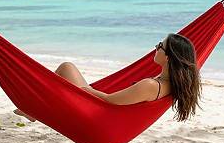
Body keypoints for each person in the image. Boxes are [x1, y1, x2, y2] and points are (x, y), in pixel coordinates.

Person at [14, 33, 201, 122]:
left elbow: (111, 100)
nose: (155, 47)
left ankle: (34, 111)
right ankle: (34, 111)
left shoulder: (151, 85)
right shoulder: (170, 85)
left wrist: (85, 91)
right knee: (67, 69)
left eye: (160, 45)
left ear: (168, 56)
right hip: (106, 118)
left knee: (66, 68)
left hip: (98, 122)